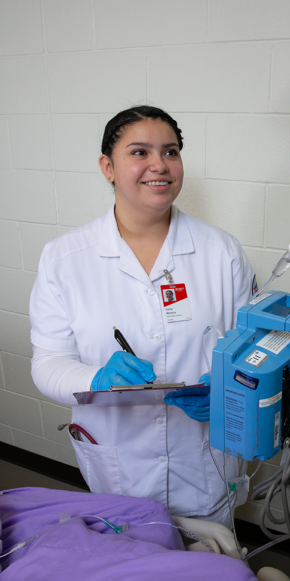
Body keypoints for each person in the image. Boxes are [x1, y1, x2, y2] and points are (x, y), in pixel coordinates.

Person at [29, 106, 255, 528]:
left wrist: (228, 390)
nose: (159, 165)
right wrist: (94, 381)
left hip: (203, 461)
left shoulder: (222, 252)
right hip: (120, 467)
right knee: (127, 559)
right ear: (107, 167)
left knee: (211, 562)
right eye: (139, 152)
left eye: (171, 152)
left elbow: (250, 349)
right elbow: (48, 364)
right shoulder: (64, 259)